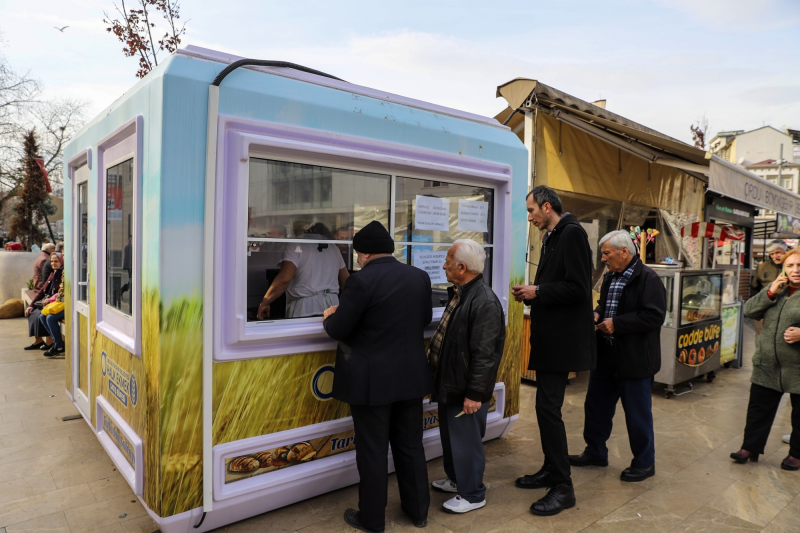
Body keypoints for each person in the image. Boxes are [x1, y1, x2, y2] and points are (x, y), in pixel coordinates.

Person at [322, 220, 433, 533]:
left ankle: (372, 519)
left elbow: (341, 328)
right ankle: (419, 511)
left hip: (371, 383)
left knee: (372, 451)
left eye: (357, 253)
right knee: (411, 445)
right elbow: (424, 319)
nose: (357, 259)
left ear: (365, 253)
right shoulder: (419, 277)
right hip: (410, 378)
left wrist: (331, 317)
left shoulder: (361, 281)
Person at [511, 185, 596, 516]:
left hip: (562, 342)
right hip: (552, 340)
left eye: (532, 210)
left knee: (549, 409)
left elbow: (578, 288)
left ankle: (563, 486)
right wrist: (536, 292)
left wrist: (538, 290)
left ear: (547, 207)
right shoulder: (554, 235)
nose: (529, 217)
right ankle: (551, 468)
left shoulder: (571, 234)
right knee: (546, 409)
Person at [569, 230, 666, 482]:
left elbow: (654, 316)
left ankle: (644, 463)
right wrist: (597, 314)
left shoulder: (648, 279)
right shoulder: (611, 276)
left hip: (634, 359)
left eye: (606, 253)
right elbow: (606, 304)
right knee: (596, 407)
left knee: (637, 413)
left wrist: (618, 324)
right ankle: (595, 452)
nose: (603, 258)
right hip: (606, 355)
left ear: (624, 251)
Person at [428, 239, 505, 514]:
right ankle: (457, 480)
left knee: (466, 442)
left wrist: (474, 394)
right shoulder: (462, 293)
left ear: (462, 267)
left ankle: (472, 494)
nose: (444, 264)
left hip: (466, 389)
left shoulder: (483, 301)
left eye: (448, 259)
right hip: (452, 383)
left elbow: (485, 356)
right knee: (452, 439)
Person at [731, 247, 800, 471]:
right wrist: (770, 291)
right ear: (783, 269)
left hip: (797, 366)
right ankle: (750, 447)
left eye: (799, 266)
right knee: (758, 408)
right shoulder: (777, 289)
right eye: (790, 266)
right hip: (767, 363)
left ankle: (797, 454)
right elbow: (749, 311)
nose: (795, 270)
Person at [256, 223, 349, 319]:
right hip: (332, 305)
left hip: (305, 308)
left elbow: (284, 279)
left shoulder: (296, 245)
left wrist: (265, 302)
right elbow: (345, 281)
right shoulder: (333, 247)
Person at [24, 252, 63, 351]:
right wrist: (31, 305)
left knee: (42, 315)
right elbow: (42, 291)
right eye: (51, 261)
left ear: (61, 261)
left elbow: (62, 293)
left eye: (56, 261)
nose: (53, 263)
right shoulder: (53, 273)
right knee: (32, 312)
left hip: (56, 303)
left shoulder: (63, 274)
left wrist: (49, 300)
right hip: (48, 302)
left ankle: (53, 343)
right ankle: (39, 340)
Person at [752, 240, 788, 335]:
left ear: (786, 251)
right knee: (761, 338)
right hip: (765, 309)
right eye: (772, 254)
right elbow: (754, 288)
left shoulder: (793, 266)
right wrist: (756, 309)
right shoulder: (762, 267)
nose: (775, 256)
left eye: (778, 252)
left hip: (787, 311)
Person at [39, 277, 65, 357]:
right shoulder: (60, 273)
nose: (53, 263)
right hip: (62, 303)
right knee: (42, 316)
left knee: (51, 318)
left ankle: (59, 347)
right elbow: (61, 291)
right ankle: (57, 343)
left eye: (56, 262)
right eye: (52, 263)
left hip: (72, 306)